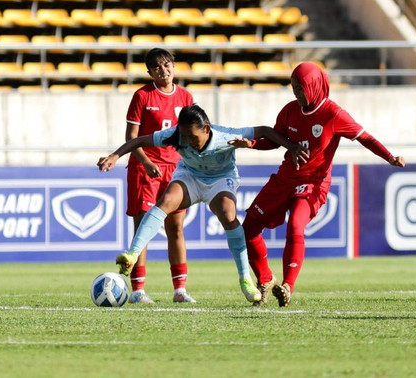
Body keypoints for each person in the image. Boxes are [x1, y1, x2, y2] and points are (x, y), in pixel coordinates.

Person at [97, 105, 307, 304]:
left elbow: (264, 130)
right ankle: (132, 255)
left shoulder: (225, 135)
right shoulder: (174, 134)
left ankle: (245, 280)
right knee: (166, 201)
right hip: (190, 177)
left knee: (227, 214)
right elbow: (139, 140)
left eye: (193, 136)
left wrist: (291, 147)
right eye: (185, 136)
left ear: (206, 129)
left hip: (220, 180)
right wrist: (115, 156)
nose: (188, 141)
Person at [242, 62, 406, 307]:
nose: (297, 92)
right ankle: (265, 279)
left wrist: (389, 157)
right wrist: (251, 144)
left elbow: (366, 138)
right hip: (285, 178)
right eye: (294, 87)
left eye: (301, 87)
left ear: (315, 85)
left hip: (313, 182)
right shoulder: (289, 111)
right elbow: (275, 140)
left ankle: (287, 286)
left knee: (296, 226)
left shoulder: (333, 114)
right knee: (249, 227)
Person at [123, 48, 195, 304]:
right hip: (145, 169)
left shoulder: (185, 96)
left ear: (173, 66)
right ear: (150, 72)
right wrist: (146, 161)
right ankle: (138, 290)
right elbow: (131, 138)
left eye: (167, 66)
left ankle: (180, 290)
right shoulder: (142, 96)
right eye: (157, 68)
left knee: (175, 227)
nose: (163, 71)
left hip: (175, 171)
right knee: (144, 227)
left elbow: (192, 136)